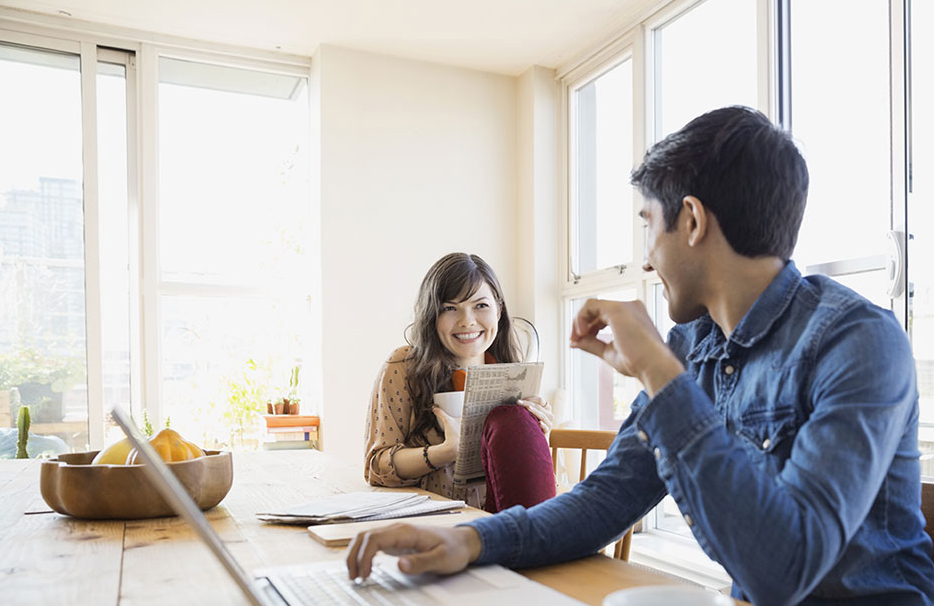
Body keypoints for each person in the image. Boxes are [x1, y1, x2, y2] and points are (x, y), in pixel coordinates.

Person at [347, 106, 934, 605]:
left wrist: (657, 370)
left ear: (693, 221)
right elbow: (607, 498)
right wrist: (472, 541)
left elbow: (784, 572)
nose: (647, 260)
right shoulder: (690, 348)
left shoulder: (858, 342)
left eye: (649, 223)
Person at [364, 252, 556, 512]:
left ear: (499, 309)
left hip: (500, 521)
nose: (467, 321)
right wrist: (444, 451)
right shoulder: (403, 366)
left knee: (516, 423)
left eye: (481, 306)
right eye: (450, 308)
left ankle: (536, 545)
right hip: (437, 522)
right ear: (432, 315)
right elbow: (376, 467)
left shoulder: (513, 372)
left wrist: (536, 434)